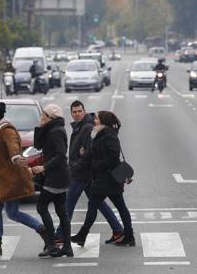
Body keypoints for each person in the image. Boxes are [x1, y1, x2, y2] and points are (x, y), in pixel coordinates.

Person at [0, 102, 48, 256]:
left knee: (0, 210)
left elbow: (13, 146)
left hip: (8, 179)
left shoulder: (6, 130)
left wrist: (16, 157)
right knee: (10, 212)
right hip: (3, 178)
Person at [53, 101, 124, 244]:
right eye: (74, 112)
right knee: (98, 203)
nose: (77, 114)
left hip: (81, 172)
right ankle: (118, 229)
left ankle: (61, 234)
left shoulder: (87, 127)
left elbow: (90, 152)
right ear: (71, 113)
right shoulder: (79, 126)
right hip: (83, 171)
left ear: (84, 111)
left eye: (79, 111)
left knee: (69, 202)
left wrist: (74, 166)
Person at [71, 111, 135, 247]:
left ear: (103, 121)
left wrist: (96, 164)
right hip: (104, 178)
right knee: (118, 207)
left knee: (95, 206)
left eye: (97, 119)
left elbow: (113, 157)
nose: (95, 120)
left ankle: (83, 235)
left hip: (108, 178)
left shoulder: (109, 135)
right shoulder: (98, 134)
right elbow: (93, 153)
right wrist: (77, 166)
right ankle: (128, 236)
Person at [32, 104, 73, 258]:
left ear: (50, 117)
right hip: (59, 176)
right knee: (61, 211)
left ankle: (52, 245)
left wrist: (44, 167)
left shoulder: (56, 131)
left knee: (41, 207)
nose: (41, 116)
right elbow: (38, 145)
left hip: (56, 177)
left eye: (43, 114)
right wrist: (40, 127)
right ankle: (66, 247)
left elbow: (61, 155)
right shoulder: (52, 129)